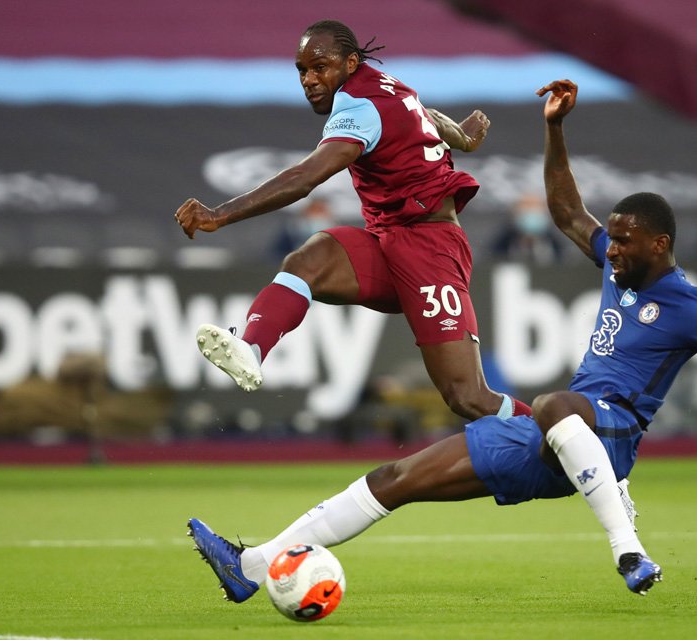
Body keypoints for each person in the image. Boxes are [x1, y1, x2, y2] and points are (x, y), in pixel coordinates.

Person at [187, 79, 697, 602]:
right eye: (612, 243)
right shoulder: (620, 261)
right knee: (394, 480)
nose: (610, 253)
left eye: (626, 244)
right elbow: (565, 210)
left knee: (552, 402)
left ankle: (627, 545)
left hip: (608, 431)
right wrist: (555, 131)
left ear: (660, 245)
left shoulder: (689, 306)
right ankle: (250, 569)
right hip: (555, 432)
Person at [175, 20, 529, 421]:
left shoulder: (359, 107)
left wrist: (219, 215)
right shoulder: (385, 87)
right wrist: (461, 137)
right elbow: (423, 112)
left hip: (431, 249)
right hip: (389, 240)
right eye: (302, 70)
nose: (309, 79)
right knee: (309, 260)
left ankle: (568, 439)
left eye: (319, 67)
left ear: (350, 62)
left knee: (469, 398)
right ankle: (252, 348)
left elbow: (305, 178)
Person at [491, 191, 565, 264]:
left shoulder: (557, 246)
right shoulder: (501, 244)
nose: (531, 211)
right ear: (515, 214)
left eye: (536, 207)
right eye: (526, 207)